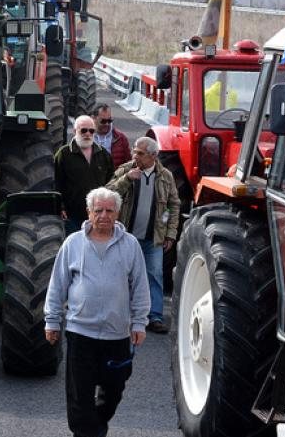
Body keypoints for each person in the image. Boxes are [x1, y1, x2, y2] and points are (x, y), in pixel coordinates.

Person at [44, 187, 148, 437]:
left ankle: (96, 426)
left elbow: (140, 286)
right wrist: (52, 321)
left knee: (113, 391)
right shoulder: (73, 243)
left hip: (116, 335)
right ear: (89, 212)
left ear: (117, 213)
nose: (104, 215)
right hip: (81, 333)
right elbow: (58, 284)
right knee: (80, 395)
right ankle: (86, 432)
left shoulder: (130, 245)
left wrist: (139, 323)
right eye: (98, 210)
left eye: (109, 210)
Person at [107, 137, 182, 334]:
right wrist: (126, 180)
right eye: (134, 151)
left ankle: (155, 316)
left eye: (140, 153)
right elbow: (107, 194)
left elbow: (173, 205)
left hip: (153, 239)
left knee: (155, 275)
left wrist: (170, 233)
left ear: (153, 156)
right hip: (125, 237)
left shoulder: (166, 176)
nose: (135, 156)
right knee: (121, 275)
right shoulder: (125, 170)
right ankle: (120, 314)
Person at [54, 115, 115, 233]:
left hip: (98, 215)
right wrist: (60, 207)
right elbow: (56, 182)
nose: (88, 134)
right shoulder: (64, 154)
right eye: (83, 130)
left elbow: (111, 183)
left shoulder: (104, 155)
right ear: (75, 131)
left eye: (91, 131)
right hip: (71, 216)